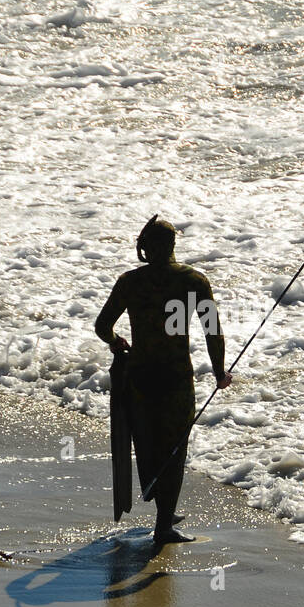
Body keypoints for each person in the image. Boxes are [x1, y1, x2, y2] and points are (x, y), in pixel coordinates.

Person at [95, 216, 231, 544]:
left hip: (140, 375)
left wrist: (116, 342)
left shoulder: (129, 281)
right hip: (176, 378)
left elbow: (102, 325)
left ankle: (163, 513)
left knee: (147, 443)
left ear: (146, 246)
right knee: (174, 447)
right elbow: (212, 330)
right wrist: (219, 371)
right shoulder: (194, 280)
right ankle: (164, 525)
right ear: (173, 245)